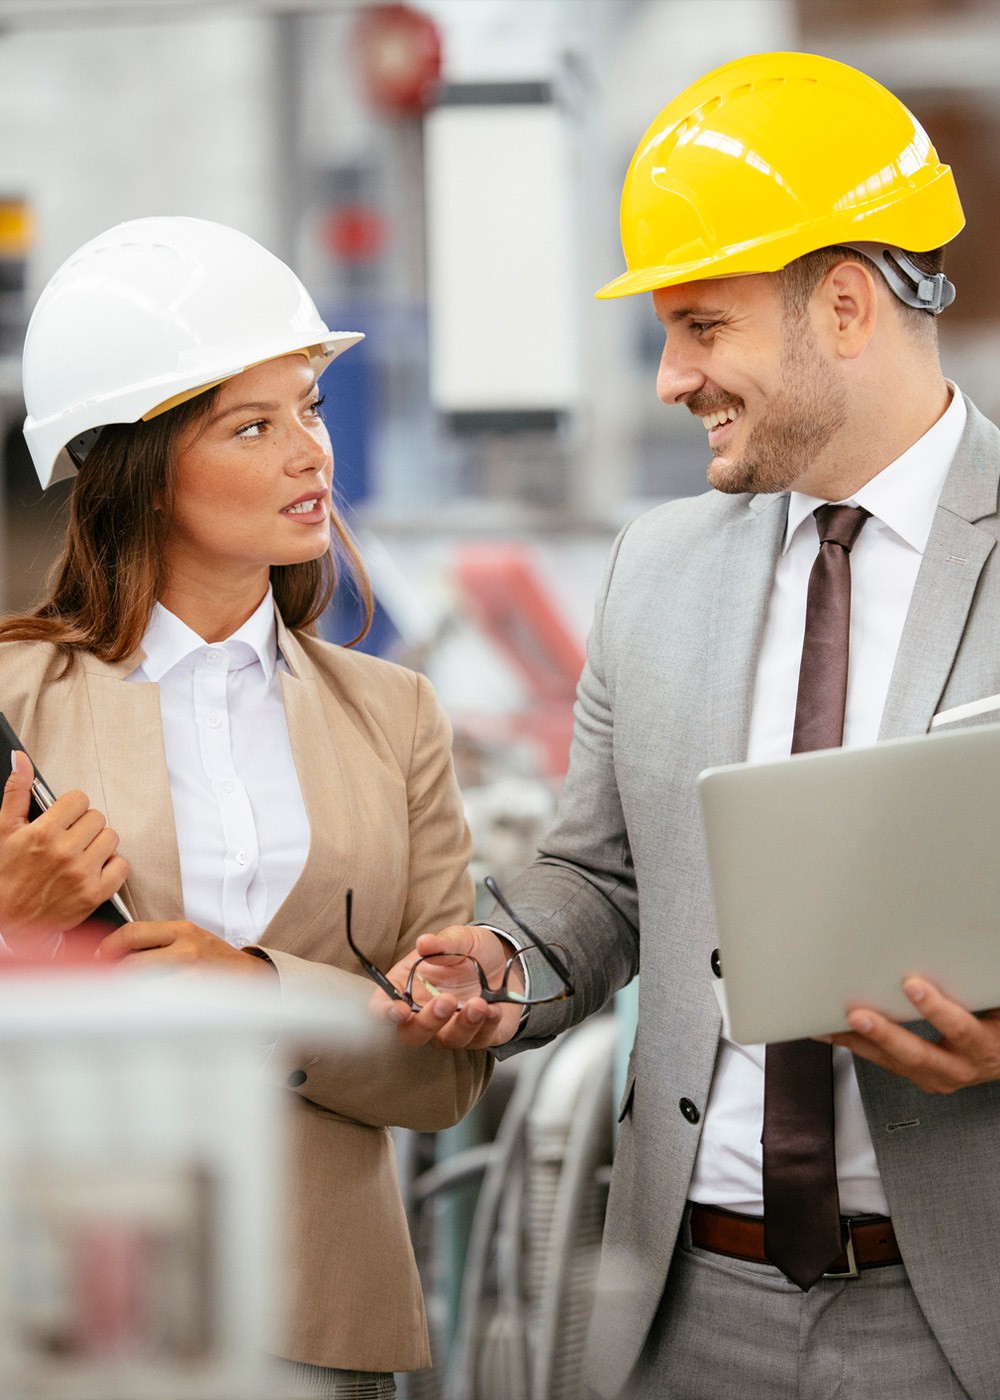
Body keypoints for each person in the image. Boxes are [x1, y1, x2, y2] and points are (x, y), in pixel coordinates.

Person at [373, 52, 1000, 1400]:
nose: (670, 377)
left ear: (842, 306)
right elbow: (600, 877)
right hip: (686, 1307)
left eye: (702, 327)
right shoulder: (658, 567)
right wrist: (506, 962)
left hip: (959, 1312)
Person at [0, 216, 491, 1398]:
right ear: (142, 466)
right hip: (65, 1312)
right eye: (253, 425)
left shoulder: (397, 715)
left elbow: (443, 1075)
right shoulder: (12, 698)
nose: (309, 454)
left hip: (329, 1322)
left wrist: (263, 994)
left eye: (310, 410)